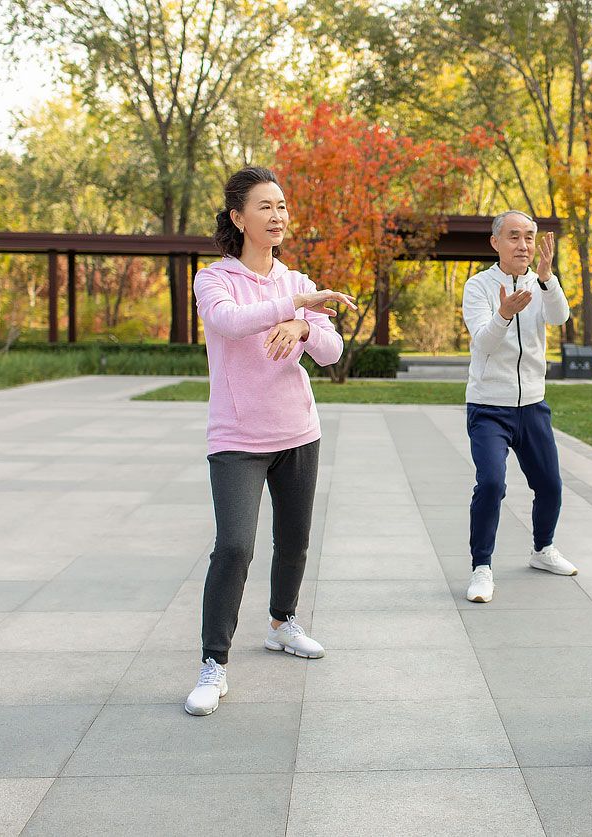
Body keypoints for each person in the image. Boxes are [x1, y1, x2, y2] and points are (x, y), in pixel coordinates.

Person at [185, 166, 356, 717]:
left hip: (298, 431)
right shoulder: (215, 279)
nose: (278, 216)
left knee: (295, 540)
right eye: (265, 206)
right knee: (235, 546)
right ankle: (214, 664)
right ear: (238, 218)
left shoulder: (297, 281)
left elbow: (330, 353)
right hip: (237, 437)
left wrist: (306, 326)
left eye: (282, 206)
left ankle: (282, 624)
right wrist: (295, 308)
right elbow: (232, 324)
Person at [461, 210, 575, 604]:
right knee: (491, 483)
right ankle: (482, 568)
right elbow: (483, 344)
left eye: (529, 236)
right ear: (495, 243)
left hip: (533, 405)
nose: (523, 244)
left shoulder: (540, 283)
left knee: (550, 486)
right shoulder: (478, 287)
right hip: (489, 406)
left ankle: (543, 550)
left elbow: (560, 318)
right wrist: (504, 313)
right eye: (514, 237)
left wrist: (547, 279)